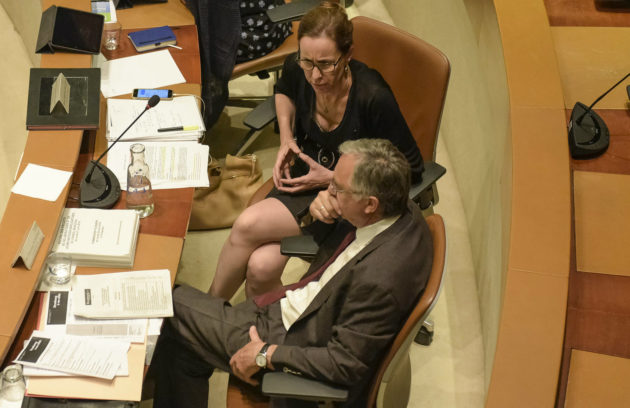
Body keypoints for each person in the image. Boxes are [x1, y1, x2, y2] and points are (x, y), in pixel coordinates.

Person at [146, 139, 433, 407]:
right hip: (297, 309)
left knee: (168, 301)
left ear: (370, 204)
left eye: (338, 189)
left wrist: (266, 354)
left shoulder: (380, 279)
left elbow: (346, 364)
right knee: (185, 350)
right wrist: (325, 206)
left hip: (288, 342)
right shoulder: (398, 207)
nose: (329, 192)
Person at [210, 1, 424, 300]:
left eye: (326, 64)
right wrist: (286, 137)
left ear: (348, 55)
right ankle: (260, 329)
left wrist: (333, 179)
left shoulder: (373, 97)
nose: (315, 76)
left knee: (246, 225)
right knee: (260, 267)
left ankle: (205, 316)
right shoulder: (301, 69)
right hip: (305, 180)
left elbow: (411, 170)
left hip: (345, 199)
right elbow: (284, 88)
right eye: (307, 62)